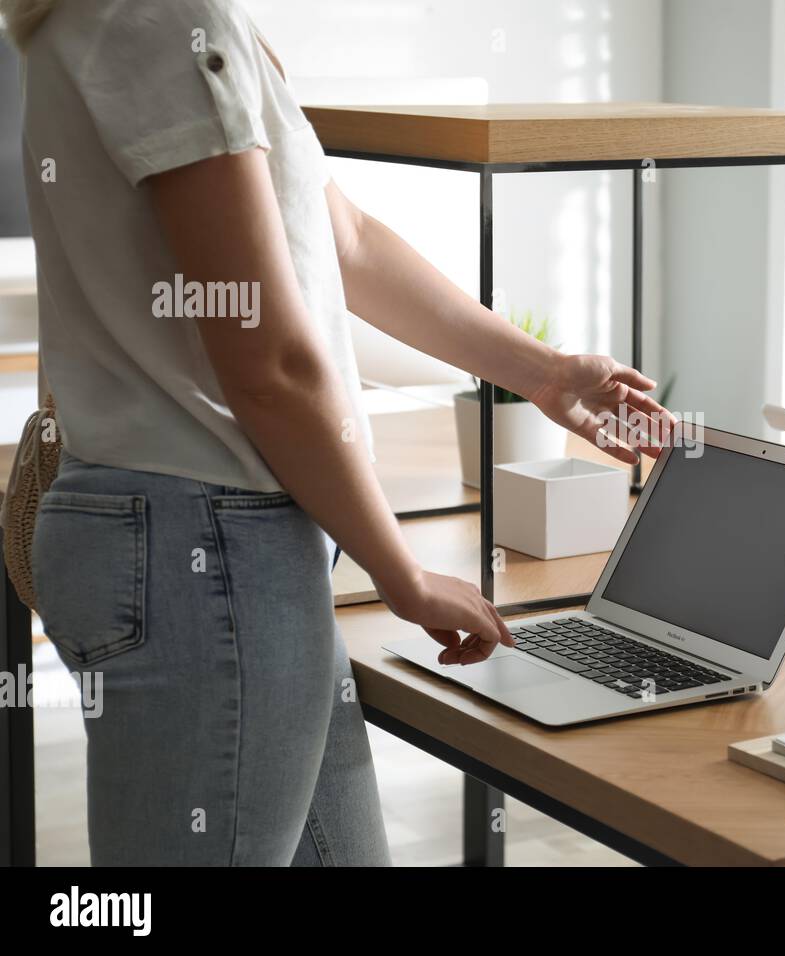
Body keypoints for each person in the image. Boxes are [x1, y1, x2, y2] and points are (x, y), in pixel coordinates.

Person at [7, 0, 669, 865]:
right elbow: (270, 361)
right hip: (203, 548)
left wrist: (544, 373)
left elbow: (343, 237)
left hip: (219, 548)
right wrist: (401, 571)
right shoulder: (160, 18)